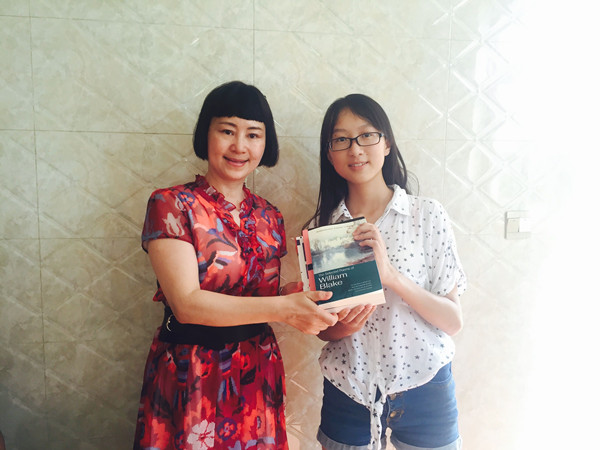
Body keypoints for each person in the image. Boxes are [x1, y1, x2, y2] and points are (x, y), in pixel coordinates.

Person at [133, 81, 338, 450]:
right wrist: (283, 307)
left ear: (265, 143)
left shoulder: (270, 216)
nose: (240, 146)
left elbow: (259, 295)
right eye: (227, 131)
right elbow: (187, 304)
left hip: (257, 370)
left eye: (253, 134)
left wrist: (297, 295)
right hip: (191, 371)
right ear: (206, 134)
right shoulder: (171, 204)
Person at [306, 94, 467, 450]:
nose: (355, 149)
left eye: (367, 135)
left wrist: (391, 275)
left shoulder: (427, 215)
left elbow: (453, 321)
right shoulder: (323, 230)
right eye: (341, 140)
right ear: (329, 154)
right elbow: (326, 332)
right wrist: (341, 326)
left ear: (387, 143)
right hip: (349, 386)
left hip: (426, 385)